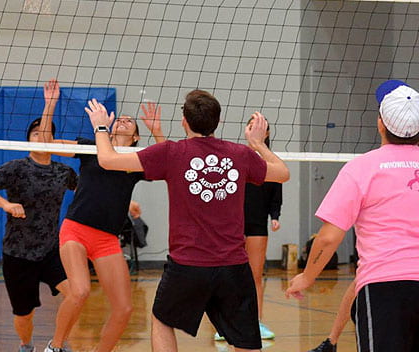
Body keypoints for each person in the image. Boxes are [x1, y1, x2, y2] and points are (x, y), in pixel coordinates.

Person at [86, 89, 290, 352]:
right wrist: (258, 143)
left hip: (187, 266)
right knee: (245, 342)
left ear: (184, 120)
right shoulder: (240, 154)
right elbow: (283, 173)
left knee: (161, 322)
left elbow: (107, 159)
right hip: (233, 266)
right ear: (218, 121)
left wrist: (101, 126)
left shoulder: (172, 152)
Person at [287, 80, 419, 352]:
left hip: (387, 286)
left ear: (381, 124)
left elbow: (328, 237)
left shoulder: (361, 168)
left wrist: (307, 278)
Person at [50, 93, 166, 352]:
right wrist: (50, 105)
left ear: (136, 137)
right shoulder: (91, 148)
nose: (123, 121)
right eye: (120, 119)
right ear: (109, 127)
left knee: (124, 308)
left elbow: (168, 164)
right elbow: (47, 143)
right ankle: (54, 347)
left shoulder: (136, 161)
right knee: (79, 292)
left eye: (129, 121)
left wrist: (157, 132)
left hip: (107, 240)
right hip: (76, 231)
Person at [0, 79, 80, 352]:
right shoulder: (16, 168)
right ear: (27, 140)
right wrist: (5, 205)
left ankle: (57, 345)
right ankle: (26, 346)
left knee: (76, 294)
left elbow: (90, 193)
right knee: (24, 315)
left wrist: (128, 203)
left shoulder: (63, 171)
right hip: (18, 254)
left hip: (51, 252)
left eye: (45, 134)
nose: (41, 138)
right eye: (35, 134)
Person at [241, 123, 283, 341]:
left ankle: (256, 322)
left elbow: (277, 191)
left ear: (266, 133)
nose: (254, 129)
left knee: (255, 275)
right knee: (232, 276)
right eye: (251, 125)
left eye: (259, 126)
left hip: (258, 224)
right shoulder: (238, 156)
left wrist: (275, 216)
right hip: (234, 225)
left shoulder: (272, 162)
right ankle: (226, 323)